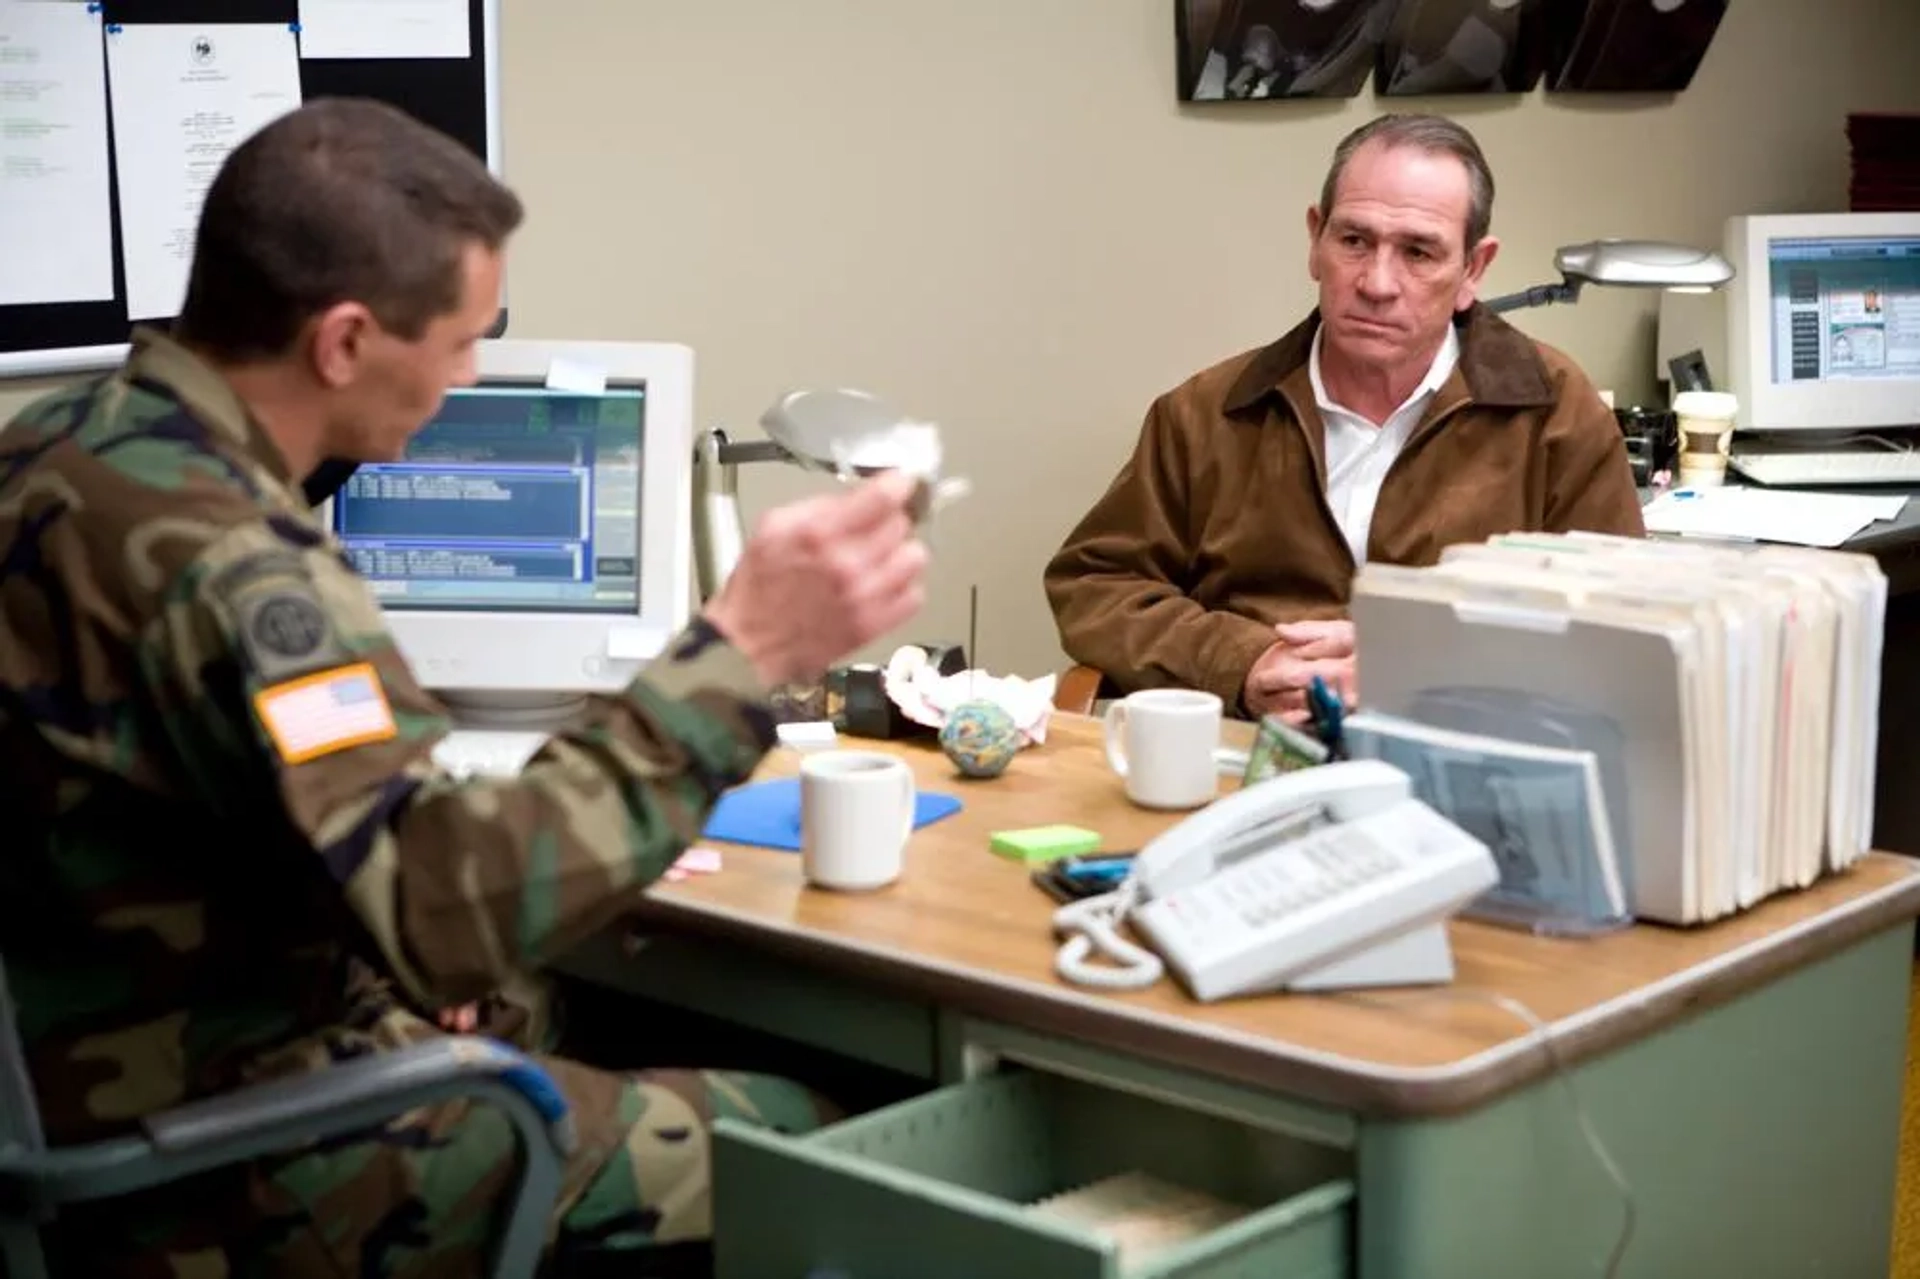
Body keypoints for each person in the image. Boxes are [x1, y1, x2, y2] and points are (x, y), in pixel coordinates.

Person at [0, 98, 928, 1277]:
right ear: (342, 342)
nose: (470, 376)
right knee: (832, 1135)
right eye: (460, 340)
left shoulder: (54, 445)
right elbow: (446, 922)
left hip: (81, 1058)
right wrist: (738, 654)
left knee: (566, 1007)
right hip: (226, 1165)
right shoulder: (244, 572)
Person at [1044, 112, 1644, 724]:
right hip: (1253, 759)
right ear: (1316, 240)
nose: (1377, 283)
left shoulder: (1555, 414)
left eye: (1418, 252)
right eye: (1354, 240)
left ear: (1473, 270)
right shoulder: (1206, 413)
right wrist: (1242, 662)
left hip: (1467, 764)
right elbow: (1096, 584)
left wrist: (1418, 658)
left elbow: (1626, 632)